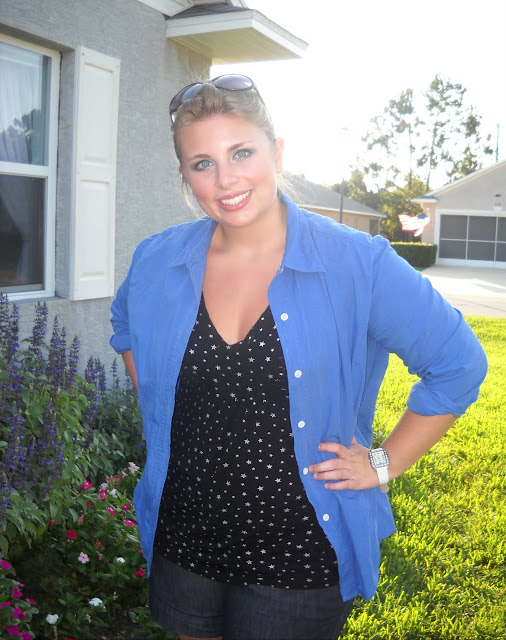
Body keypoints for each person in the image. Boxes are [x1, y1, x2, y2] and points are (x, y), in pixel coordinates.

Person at [110, 75, 487, 640]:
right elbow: (125, 325)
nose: (226, 179)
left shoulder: (357, 262)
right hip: (186, 534)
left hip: (298, 549)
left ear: (278, 152)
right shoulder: (157, 258)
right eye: (202, 163)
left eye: (242, 152)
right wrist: (162, 401)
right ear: (185, 175)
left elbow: (459, 364)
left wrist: (383, 463)